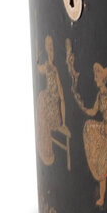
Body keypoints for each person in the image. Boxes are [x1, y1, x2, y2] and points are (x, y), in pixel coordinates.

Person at [71, 60, 107, 208]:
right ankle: (102, 196)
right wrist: (82, 107)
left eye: (97, 77)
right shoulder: (99, 96)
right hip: (105, 131)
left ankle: (102, 197)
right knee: (89, 127)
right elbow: (93, 112)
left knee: (104, 155)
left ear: (102, 79)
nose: (95, 79)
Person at [36, 35, 67, 165]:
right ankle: (45, 150)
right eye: (47, 45)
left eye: (51, 45)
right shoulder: (48, 66)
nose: (49, 48)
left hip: (54, 113)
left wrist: (63, 123)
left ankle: (47, 151)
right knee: (42, 97)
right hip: (46, 107)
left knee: (42, 97)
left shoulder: (55, 71)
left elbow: (62, 99)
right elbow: (39, 68)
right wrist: (36, 50)